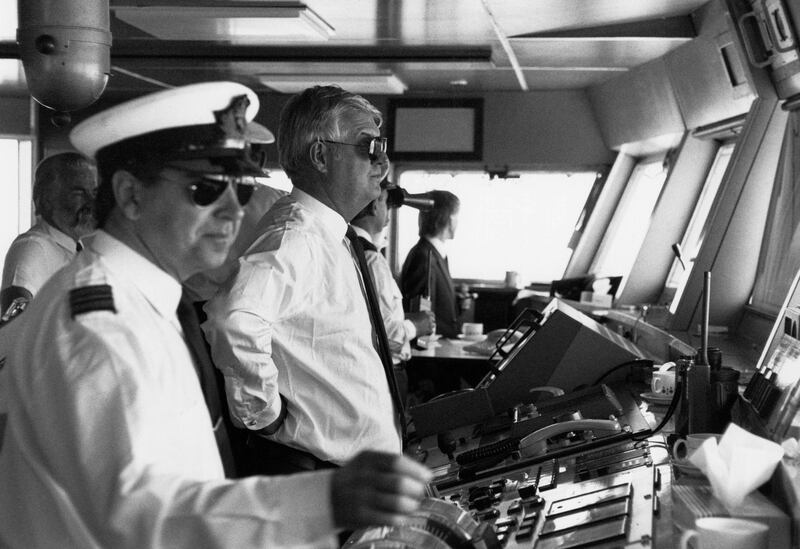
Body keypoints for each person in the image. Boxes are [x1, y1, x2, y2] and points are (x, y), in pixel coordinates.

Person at [0, 81, 431, 549]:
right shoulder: (100, 329)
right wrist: (323, 500)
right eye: (205, 188)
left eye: (241, 187)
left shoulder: (147, 303)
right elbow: (142, 516)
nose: (232, 211)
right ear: (129, 194)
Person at [203, 85, 403, 475]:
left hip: (359, 473)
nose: (383, 163)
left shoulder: (332, 237)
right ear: (320, 156)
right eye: (369, 148)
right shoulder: (296, 238)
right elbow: (233, 319)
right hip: (323, 475)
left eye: (383, 148)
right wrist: (263, 413)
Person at [349, 180, 435, 402]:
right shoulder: (372, 259)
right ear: (376, 205)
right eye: (386, 203)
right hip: (387, 372)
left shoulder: (347, 248)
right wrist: (418, 325)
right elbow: (388, 335)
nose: (388, 213)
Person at [0, 152, 97, 315]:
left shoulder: (76, 250)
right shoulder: (32, 248)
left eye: (94, 193)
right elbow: (12, 320)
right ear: (46, 200)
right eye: (78, 193)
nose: (91, 203)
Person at [400, 190, 461, 338]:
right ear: (450, 219)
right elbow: (420, 313)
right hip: (431, 352)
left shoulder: (435, 254)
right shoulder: (423, 257)